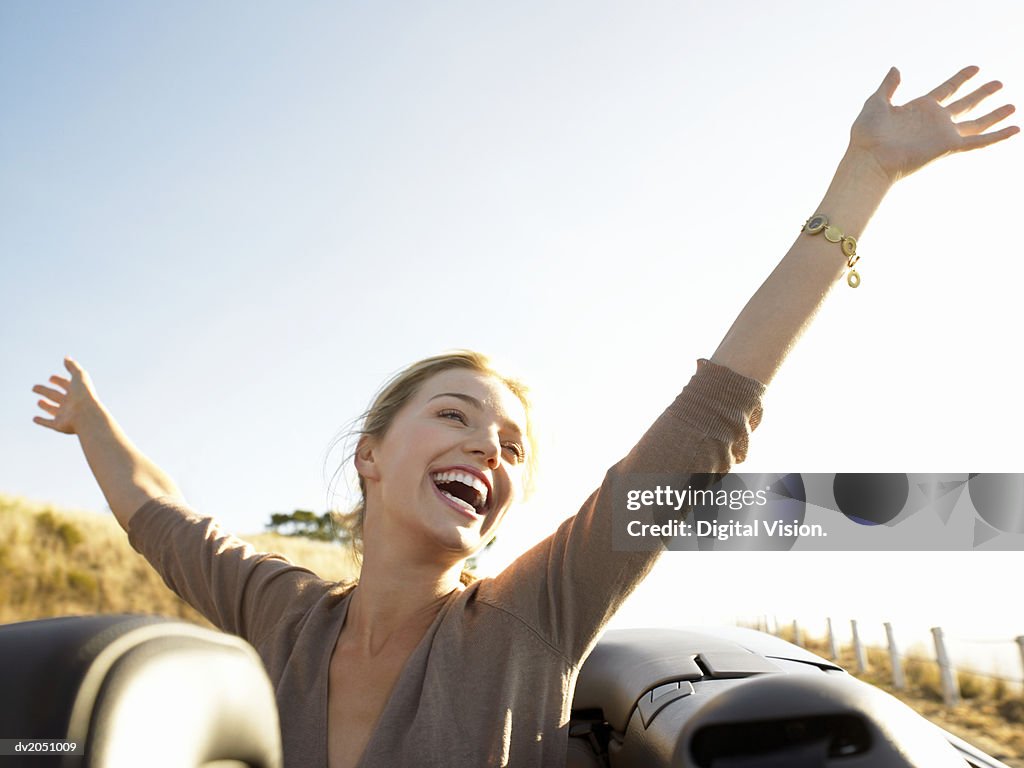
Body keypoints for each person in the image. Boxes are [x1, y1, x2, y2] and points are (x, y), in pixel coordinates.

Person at [32, 66, 1016, 768]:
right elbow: (157, 516)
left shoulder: (530, 614)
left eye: (511, 447)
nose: (485, 448)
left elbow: (710, 414)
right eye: (455, 416)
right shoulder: (279, 612)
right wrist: (90, 424)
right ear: (371, 456)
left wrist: (863, 180)